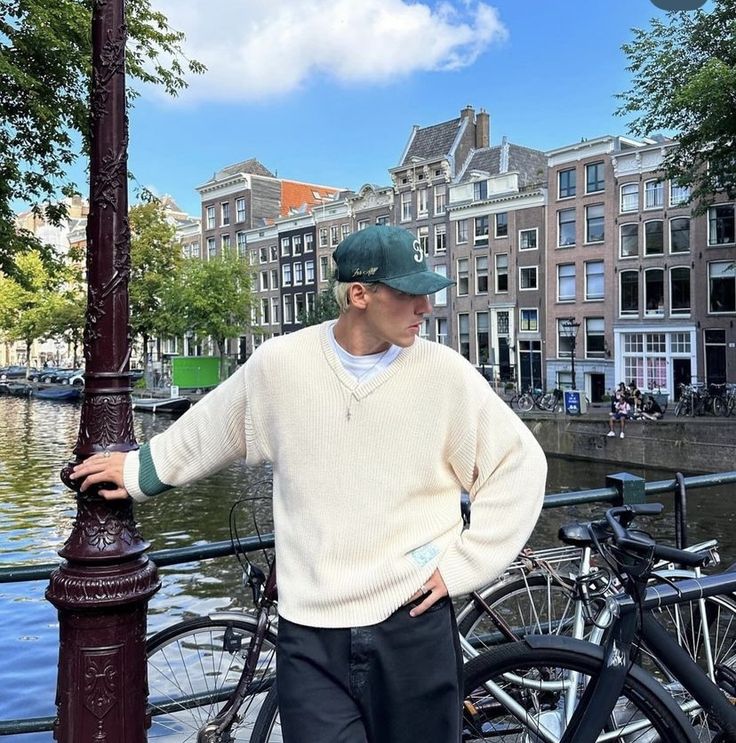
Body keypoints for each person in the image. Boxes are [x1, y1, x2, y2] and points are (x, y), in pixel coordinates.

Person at [70, 225, 548, 743]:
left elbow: (518, 465)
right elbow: (212, 427)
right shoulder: (281, 364)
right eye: (409, 293)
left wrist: (465, 566)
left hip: (412, 621)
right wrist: (138, 472)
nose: (425, 308)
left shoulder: (445, 374)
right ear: (360, 295)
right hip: (310, 631)